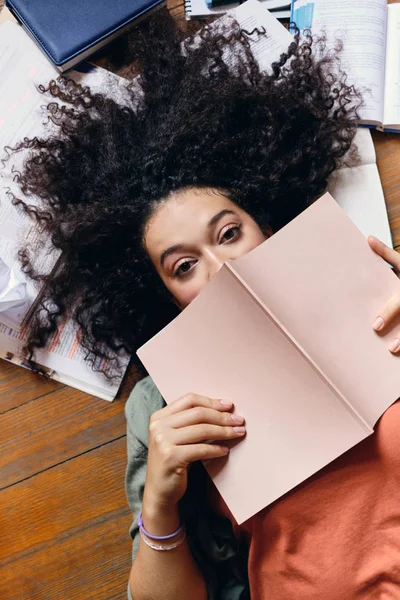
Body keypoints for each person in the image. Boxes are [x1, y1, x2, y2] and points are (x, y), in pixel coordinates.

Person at [8, 9, 400, 600]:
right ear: (160, 293)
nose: (223, 270)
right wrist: (160, 504)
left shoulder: (376, 287)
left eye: (229, 233)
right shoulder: (162, 403)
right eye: (184, 266)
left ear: (265, 223)